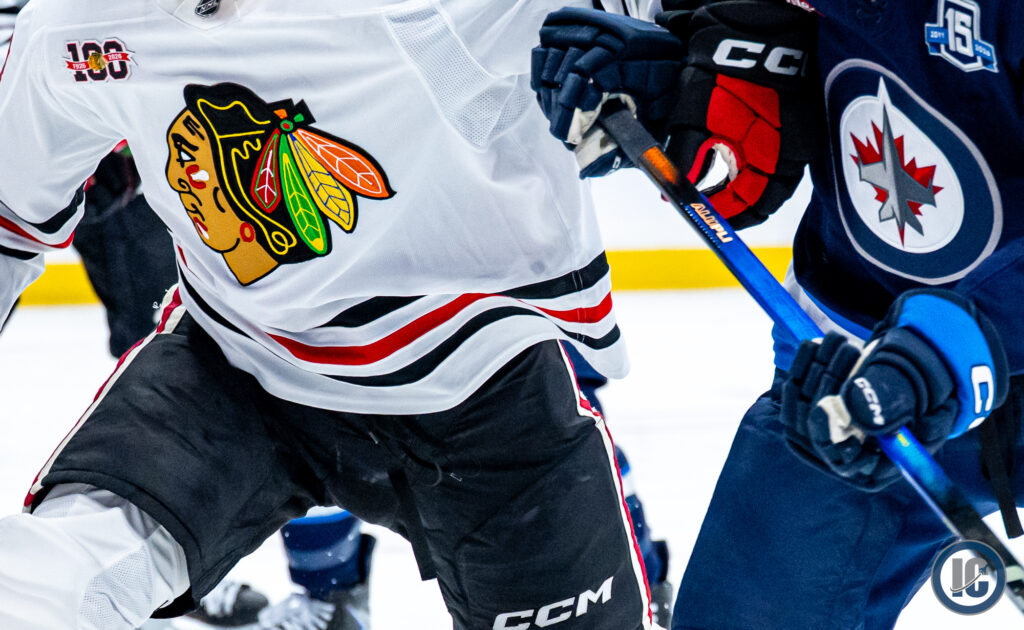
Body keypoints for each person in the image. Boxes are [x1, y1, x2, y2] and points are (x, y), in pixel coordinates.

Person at [0, 1, 679, 629]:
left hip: (481, 382)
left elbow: (678, 24)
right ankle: (330, 588)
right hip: (236, 362)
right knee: (41, 586)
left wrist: (698, 62)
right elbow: (8, 215)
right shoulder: (75, 24)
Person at [530, 0, 1022, 628]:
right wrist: (681, 90)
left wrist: (954, 342)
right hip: (849, 383)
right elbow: (769, 94)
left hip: (916, 368)